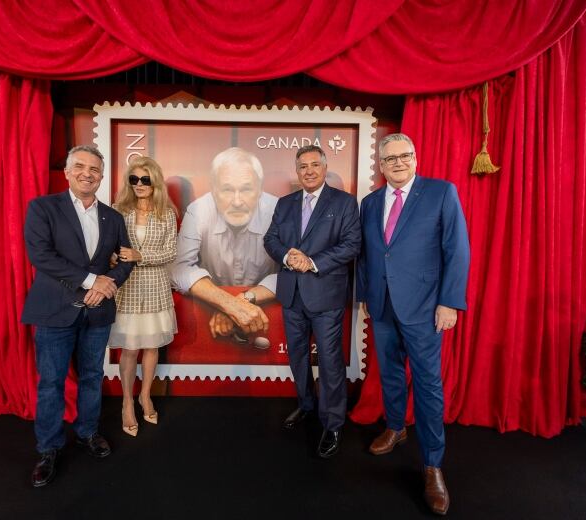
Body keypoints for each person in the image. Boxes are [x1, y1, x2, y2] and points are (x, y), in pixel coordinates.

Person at [356, 133, 469, 515]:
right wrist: (365, 298)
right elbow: (366, 255)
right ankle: (395, 427)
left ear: (416, 158)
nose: (399, 163)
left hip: (425, 308)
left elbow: (457, 249)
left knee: (427, 384)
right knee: (388, 374)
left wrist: (449, 302)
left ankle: (433, 465)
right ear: (382, 165)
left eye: (405, 156)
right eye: (391, 159)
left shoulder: (440, 193)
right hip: (382, 305)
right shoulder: (370, 203)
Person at [22, 145, 134, 487]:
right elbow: (41, 255)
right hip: (55, 311)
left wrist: (106, 284)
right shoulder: (43, 207)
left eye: (95, 169)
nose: (88, 173)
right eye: (81, 167)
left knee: (90, 376)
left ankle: (87, 433)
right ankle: (49, 448)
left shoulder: (113, 217)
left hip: (98, 311)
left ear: (102, 177)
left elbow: (127, 259)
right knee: (52, 382)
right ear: (68, 172)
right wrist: (90, 281)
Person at [263, 145, 361, 458]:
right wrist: (287, 255)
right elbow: (271, 239)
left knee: (330, 361)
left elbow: (352, 245)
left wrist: (313, 261)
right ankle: (306, 405)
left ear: (324, 167)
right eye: (302, 166)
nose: (308, 171)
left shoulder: (344, 203)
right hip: (291, 294)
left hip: (325, 295)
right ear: (297, 170)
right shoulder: (285, 203)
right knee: (298, 356)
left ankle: (332, 422)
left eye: (314, 165)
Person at [170, 147, 278, 342]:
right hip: (209, 312)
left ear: (260, 189)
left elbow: (292, 273)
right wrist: (229, 304)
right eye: (227, 189)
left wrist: (241, 302)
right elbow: (178, 268)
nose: (237, 201)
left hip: (265, 309)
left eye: (246, 189)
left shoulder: (278, 210)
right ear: (213, 189)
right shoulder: (199, 210)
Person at [108, 157, 178, 436]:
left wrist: (141, 256)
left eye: (145, 180)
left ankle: (144, 395)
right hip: (125, 287)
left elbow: (171, 252)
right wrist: (112, 257)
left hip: (155, 288)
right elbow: (107, 248)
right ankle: (127, 401)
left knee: (151, 346)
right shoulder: (117, 211)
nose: (139, 185)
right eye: (134, 179)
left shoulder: (166, 214)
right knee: (129, 348)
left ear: (155, 182)